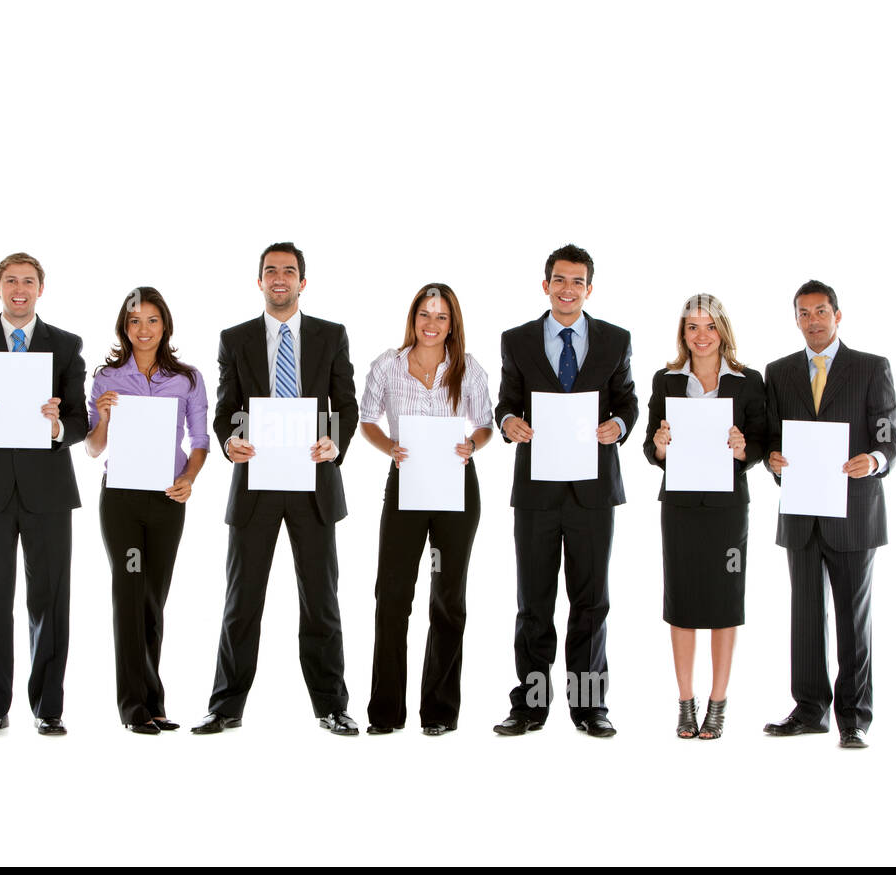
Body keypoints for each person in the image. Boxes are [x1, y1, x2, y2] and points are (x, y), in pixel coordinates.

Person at [191, 241, 360, 736]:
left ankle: (332, 706)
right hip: (256, 483)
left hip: (313, 481)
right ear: (260, 280)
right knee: (242, 601)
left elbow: (345, 404)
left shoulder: (331, 335)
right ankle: (225, 707)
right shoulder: (235, 339)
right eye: (271, 271)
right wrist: (230, 441)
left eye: (289, 271)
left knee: (321, 602)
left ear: (302, 282)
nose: (279, 278)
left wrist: (334, 440)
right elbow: (226, 409)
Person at [493, 243, 638, 738]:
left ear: (589, 289)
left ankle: (590, 707)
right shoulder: (517, 340)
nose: (568, 289)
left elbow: (628, 402)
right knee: (534, 603)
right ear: (546, 285)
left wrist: (618, 425)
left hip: (593, 492)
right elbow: (506, 402)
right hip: (537, 491)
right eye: (560, 279)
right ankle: (531, 706)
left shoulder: (616, 340)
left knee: (591, 602)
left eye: (578, 281)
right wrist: (508, 422)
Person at [0, 252, 88, 736]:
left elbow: (80, 422)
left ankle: (49, 707)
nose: (20, 289)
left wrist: (56, 427)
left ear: (40, 289)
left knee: (51, 601)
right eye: (11, 281)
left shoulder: (65, 346)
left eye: (28, 281)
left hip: (48, 490)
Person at [763, 280, 896, 749]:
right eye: (803, 313)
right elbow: (772, 436)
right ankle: (809, 711)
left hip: (853, 513)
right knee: (804, 618)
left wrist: (875, 460)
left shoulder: (871, 367)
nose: (813, 321)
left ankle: (854, 718)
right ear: (796, 320)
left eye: (821, 311)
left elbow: (888, 435)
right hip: (802, 512)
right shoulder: (779, 372)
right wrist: (772, 459)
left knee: (852, 621)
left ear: (837, 316)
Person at [359, 283, 493, 736]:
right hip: (406, 485)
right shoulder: (388, 365)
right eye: (424, 314)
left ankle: (439, 712)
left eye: (441, 316)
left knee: (448, 600)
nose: (431, 324)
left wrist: (472, 444)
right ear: (413, 318)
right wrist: (389, 447)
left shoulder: (468, 368)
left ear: (452, 324)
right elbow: (366, 419)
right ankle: (385, 712)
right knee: (392, 596)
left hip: (456, 487)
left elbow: (486, 425)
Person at [85, 287, 209, 735]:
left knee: (154, 599)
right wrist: (103, 418)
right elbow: (93, 448)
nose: (144, 329)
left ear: (165, 325)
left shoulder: (188, 379)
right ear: (124, 326)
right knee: (129, 595)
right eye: (135, 320)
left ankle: (153, 702)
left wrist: (189, 478)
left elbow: (200, 441)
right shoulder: (106, 378)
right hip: (121, 501)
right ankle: (132, 706)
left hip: (167, 499)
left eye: (152, 320)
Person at [644, 294, 767, 740]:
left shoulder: (748, 381)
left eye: (710, 325)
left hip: (727, 509)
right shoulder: (666, 380)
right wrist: (660, 446)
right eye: (692, 326)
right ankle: (685, 703)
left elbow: (762, 441)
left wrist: (744, 450)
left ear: (722, 329)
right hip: (680, 507)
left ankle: (717, 703)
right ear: (683, 333)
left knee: (724, 602)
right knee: (681, 602)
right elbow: (650, 446)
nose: (702, 335)